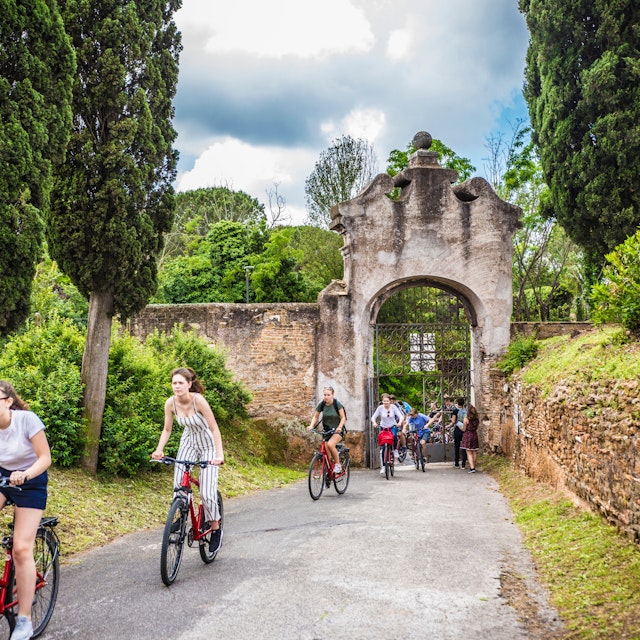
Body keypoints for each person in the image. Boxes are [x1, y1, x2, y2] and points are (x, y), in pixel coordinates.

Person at [151, 367, 224, 553]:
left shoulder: (198, 400)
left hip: (208, 445)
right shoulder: (170, 403)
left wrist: (219, 455)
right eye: (174, 383)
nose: (177, 386)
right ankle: (182, 513)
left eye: (181, 383)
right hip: (188, 443)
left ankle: (215, 529)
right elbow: (167, 430)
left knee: (207, 494)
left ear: (189, 384)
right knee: (179, 486)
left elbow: (215, 428)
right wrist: (159, 450)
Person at [0, 381, 52, 640]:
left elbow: (45, 457)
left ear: (8, 401)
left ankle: (24, 620)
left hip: (31, 479)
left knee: (21, 547)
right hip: (2, 477)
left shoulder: (27, 420)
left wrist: (26, 474)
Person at [307, 386, 347, 475]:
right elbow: (316, 416)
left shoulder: (337, 404)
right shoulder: (322, 404)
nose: (326, 397)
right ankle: (328, 475)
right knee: (327, 455)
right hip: (327, 430)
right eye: (325, 395)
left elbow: (343, 417)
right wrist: (311, 426)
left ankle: (338, 465)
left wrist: (340, 427)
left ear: (332, 395)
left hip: (337, 430)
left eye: (328, 395)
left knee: (330, 444)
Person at [371, 394, 404, 474]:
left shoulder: (393, 407)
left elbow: (401, 416)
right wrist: (374, 423)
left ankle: (395, 450)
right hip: (383, 427)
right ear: (382, 401)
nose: (386, 402)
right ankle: (383, 466)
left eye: (387, 401)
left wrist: (399, 422)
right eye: (384, 401)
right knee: (383, 447)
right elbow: (373, 417)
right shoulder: (380, 408)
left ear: (390, 401)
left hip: (392, 426)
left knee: (394, 436)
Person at [461, 404, 480, 473]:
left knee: (469, 453)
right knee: (474, 451)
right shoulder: (477, 419)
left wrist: (461, 427)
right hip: (474, 434)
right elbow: (476, 427)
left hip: (468, 435)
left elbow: (464, 429)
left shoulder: (466, 419)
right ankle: (474, 466)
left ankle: (472, 468)